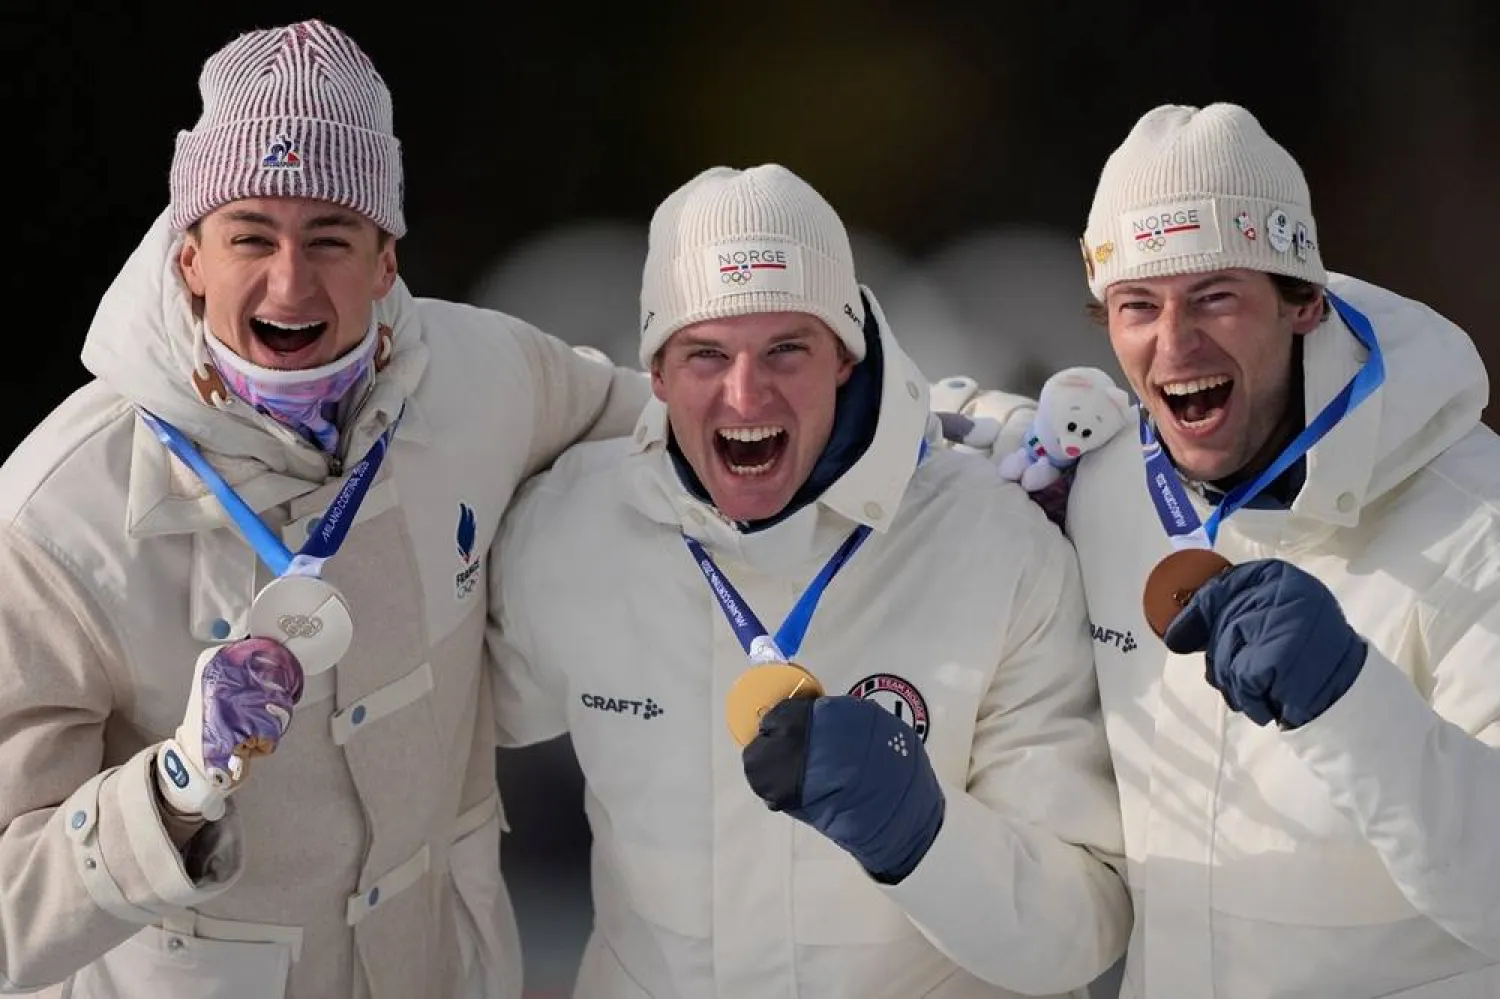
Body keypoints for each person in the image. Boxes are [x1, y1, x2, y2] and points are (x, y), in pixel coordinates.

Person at [0, 19, 649, 999]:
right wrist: (176, 787)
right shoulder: (59, 519)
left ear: (387, 259)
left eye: (330, 237)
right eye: (250, 236)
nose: (290, 282)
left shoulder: (487, 376)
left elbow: (696, 431)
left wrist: (905, 431)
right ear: (189, 257)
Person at [487, 163, 1133, 999]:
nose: (745, 392)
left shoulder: (990, 539)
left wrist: (922, 838)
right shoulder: (571, 529)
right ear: (654, 370)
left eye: (786, 349)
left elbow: (1083, 924)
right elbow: (424, 725)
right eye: (705, 353)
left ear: (844, 354)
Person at [945, 103, 1500, 997]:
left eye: (1215, 297)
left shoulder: (1474, 520)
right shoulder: (1101, 485)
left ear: (1304, 301)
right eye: (1137, 306)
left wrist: (1349, 702)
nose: (1174, 343)